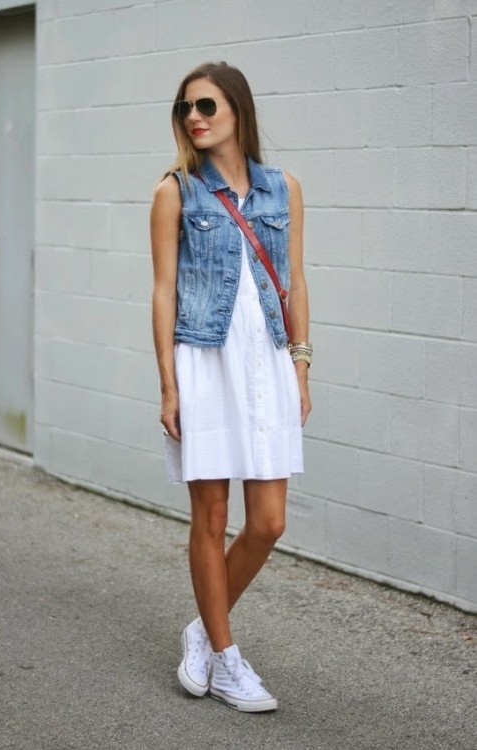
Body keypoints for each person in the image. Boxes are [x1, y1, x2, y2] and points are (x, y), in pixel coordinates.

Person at [150, 61, 312, 713]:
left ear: (238, 109)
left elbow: (294, 281)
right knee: (212, 516)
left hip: (267, 360)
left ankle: (201, 626)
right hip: (203, 359)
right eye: (185, 107)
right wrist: (169, 386)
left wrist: (301, 365)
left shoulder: (283, 188)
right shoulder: (175, 191)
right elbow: (163, 292)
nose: (194, 117)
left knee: (268, 522)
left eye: (207, 105)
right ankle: (224, 656)